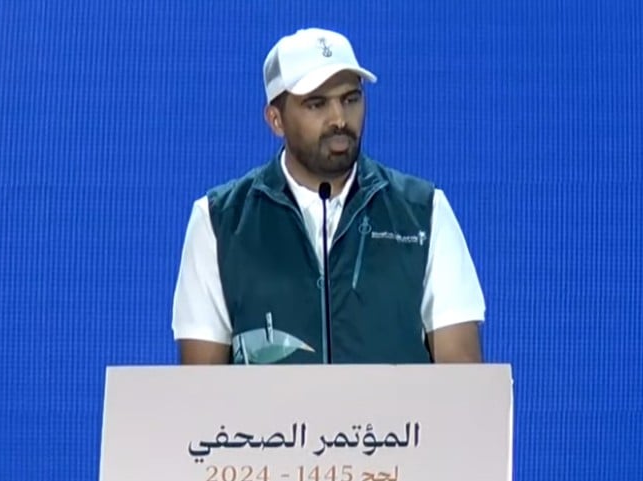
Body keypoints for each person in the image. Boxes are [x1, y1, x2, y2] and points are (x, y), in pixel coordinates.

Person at [171, 27, 486, 365]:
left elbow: (462, 376)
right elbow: (200, 385)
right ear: (276, 120)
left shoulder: (423, 211)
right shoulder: (219, 221)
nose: (339, 119)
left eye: (351, 99)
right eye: (316, 104)